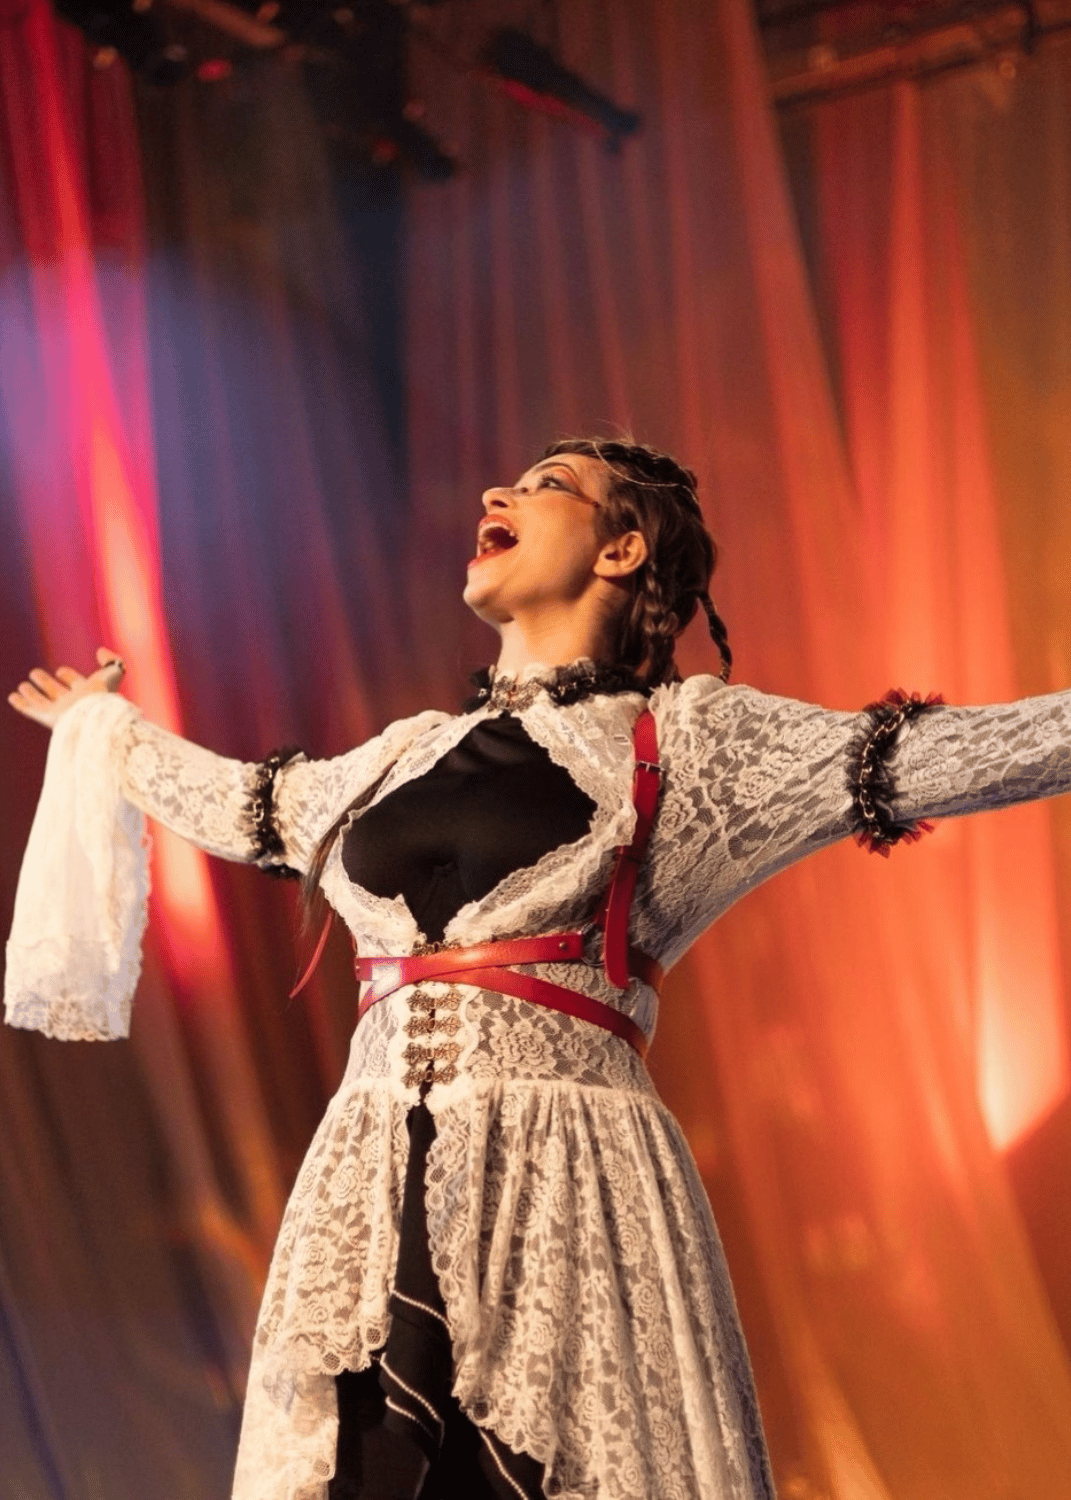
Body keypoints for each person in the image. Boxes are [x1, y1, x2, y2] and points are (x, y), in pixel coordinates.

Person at [7, 437, 1071, 1500]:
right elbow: (252, 805)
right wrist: (105, 731)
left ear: (621, 551)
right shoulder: (397, 756)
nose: (495, 491)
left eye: (547, 485)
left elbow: (927, 758)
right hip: (372, 1184)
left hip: (570, 1185)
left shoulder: (687, 745)